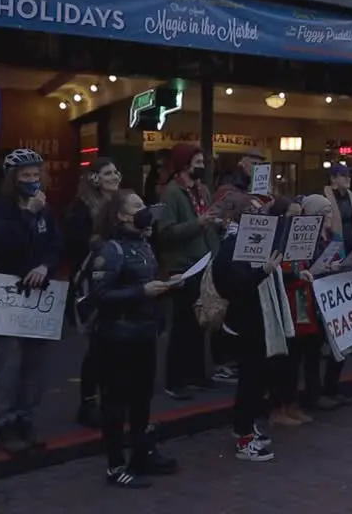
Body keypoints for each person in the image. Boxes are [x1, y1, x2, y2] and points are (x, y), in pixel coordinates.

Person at [84, 188, 177, 488]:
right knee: (115, 402)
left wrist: (164, 288)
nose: (144, 209)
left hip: (144, 333)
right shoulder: (111, 250)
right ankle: (114, 466)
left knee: (142, 398)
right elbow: (100, 294)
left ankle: (141, 454)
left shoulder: (144, 244)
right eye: (137, 205)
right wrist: (142, 292)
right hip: (117, 337)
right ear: (122, 214)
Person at [0, 148, 62, 455]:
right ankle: (5, 424)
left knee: (34, 365)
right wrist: (28, 213)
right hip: (8, 294)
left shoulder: (46, 210)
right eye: (25, 176)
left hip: (38, 294)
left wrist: (45, 267)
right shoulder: (0, 210)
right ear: (13, 179)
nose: (32, 180)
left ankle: (27, 418)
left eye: (35, 174)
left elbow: (56, 245)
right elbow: (2, 245)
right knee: (10, 364)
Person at [211, 192, 281, 462]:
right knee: (249, 380)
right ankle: (243, 438)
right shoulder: (232, 246)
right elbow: (237, 286)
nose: (262, 218)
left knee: (255, 379)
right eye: (257, 213)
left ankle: (246, 426)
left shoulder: (247, 242)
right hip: (245, 322)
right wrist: (263, 271)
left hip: (254, 319)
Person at [154, 143, 223, 399]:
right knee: (182, 326)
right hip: (185, 266)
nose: (202, 166)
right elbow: (166, 232)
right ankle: (175, 380)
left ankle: (196, 374)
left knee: (199, 324)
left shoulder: (202, 190)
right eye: (197, 161)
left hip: (205, 262)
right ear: (184, 164)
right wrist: (198, 224)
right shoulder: (171, 193)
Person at [65, 157, 123, 428]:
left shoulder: (121, 203)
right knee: (97, 344)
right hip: (93, 281)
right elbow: (75, 246)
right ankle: (88, 403)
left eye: (115, 172)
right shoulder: (82, 208)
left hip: (119, 278)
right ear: (95, 178)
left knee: (114, 343)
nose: (115, 176)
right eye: (108, 172)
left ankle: (110, 399)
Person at [272, 194, 333, 425]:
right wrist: (295, 274)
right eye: (291, 216)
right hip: (284, 304)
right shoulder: (276, 239)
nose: (296, 220)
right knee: (285, 360)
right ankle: (279, 408)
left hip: (302, 304)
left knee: (299, 357)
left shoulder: (301, 239)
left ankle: (292, 404)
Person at [324, 164, 352, 253]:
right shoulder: (325, 196)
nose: (348, 178)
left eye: (349, 176)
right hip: (333, 245)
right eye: (343, 175)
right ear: (333, 178)